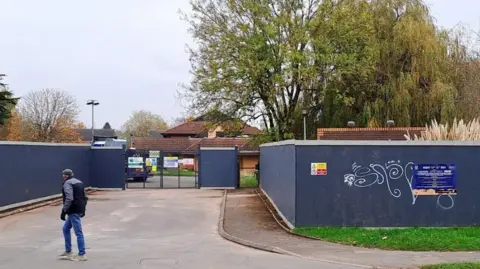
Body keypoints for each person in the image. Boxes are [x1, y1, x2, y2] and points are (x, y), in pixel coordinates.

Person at [59, 169, 88, 261]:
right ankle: (68, 251)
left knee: (78, 232)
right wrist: (83, 209)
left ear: (65, 176)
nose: (63, 177)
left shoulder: (67, 183)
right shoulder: (80, 182)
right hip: (78, 209)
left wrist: (64, 211)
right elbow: (85, 197)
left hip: (73, 210)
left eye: (63, 175)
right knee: (65, 228)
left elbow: (69, 198)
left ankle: (82, 254)